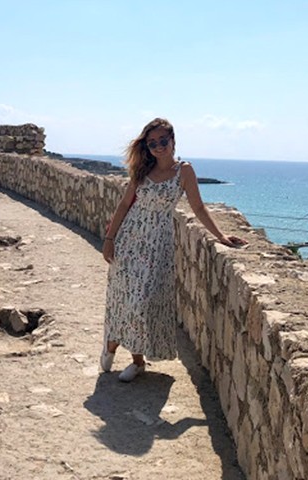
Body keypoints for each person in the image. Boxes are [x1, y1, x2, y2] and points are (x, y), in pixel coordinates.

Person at [101, 118, 247, 382]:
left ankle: (135, 359)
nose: (158, 146)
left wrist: (221, 236)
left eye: (163, 141)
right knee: (123, 297)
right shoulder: (141, 170)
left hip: (158, 243)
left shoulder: (184, 171)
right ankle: (113, 344)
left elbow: (198, 207)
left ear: (173, 141)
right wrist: (110, 239)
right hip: (129, 239)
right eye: (152, 142)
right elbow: (124, 205)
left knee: (143, 301)